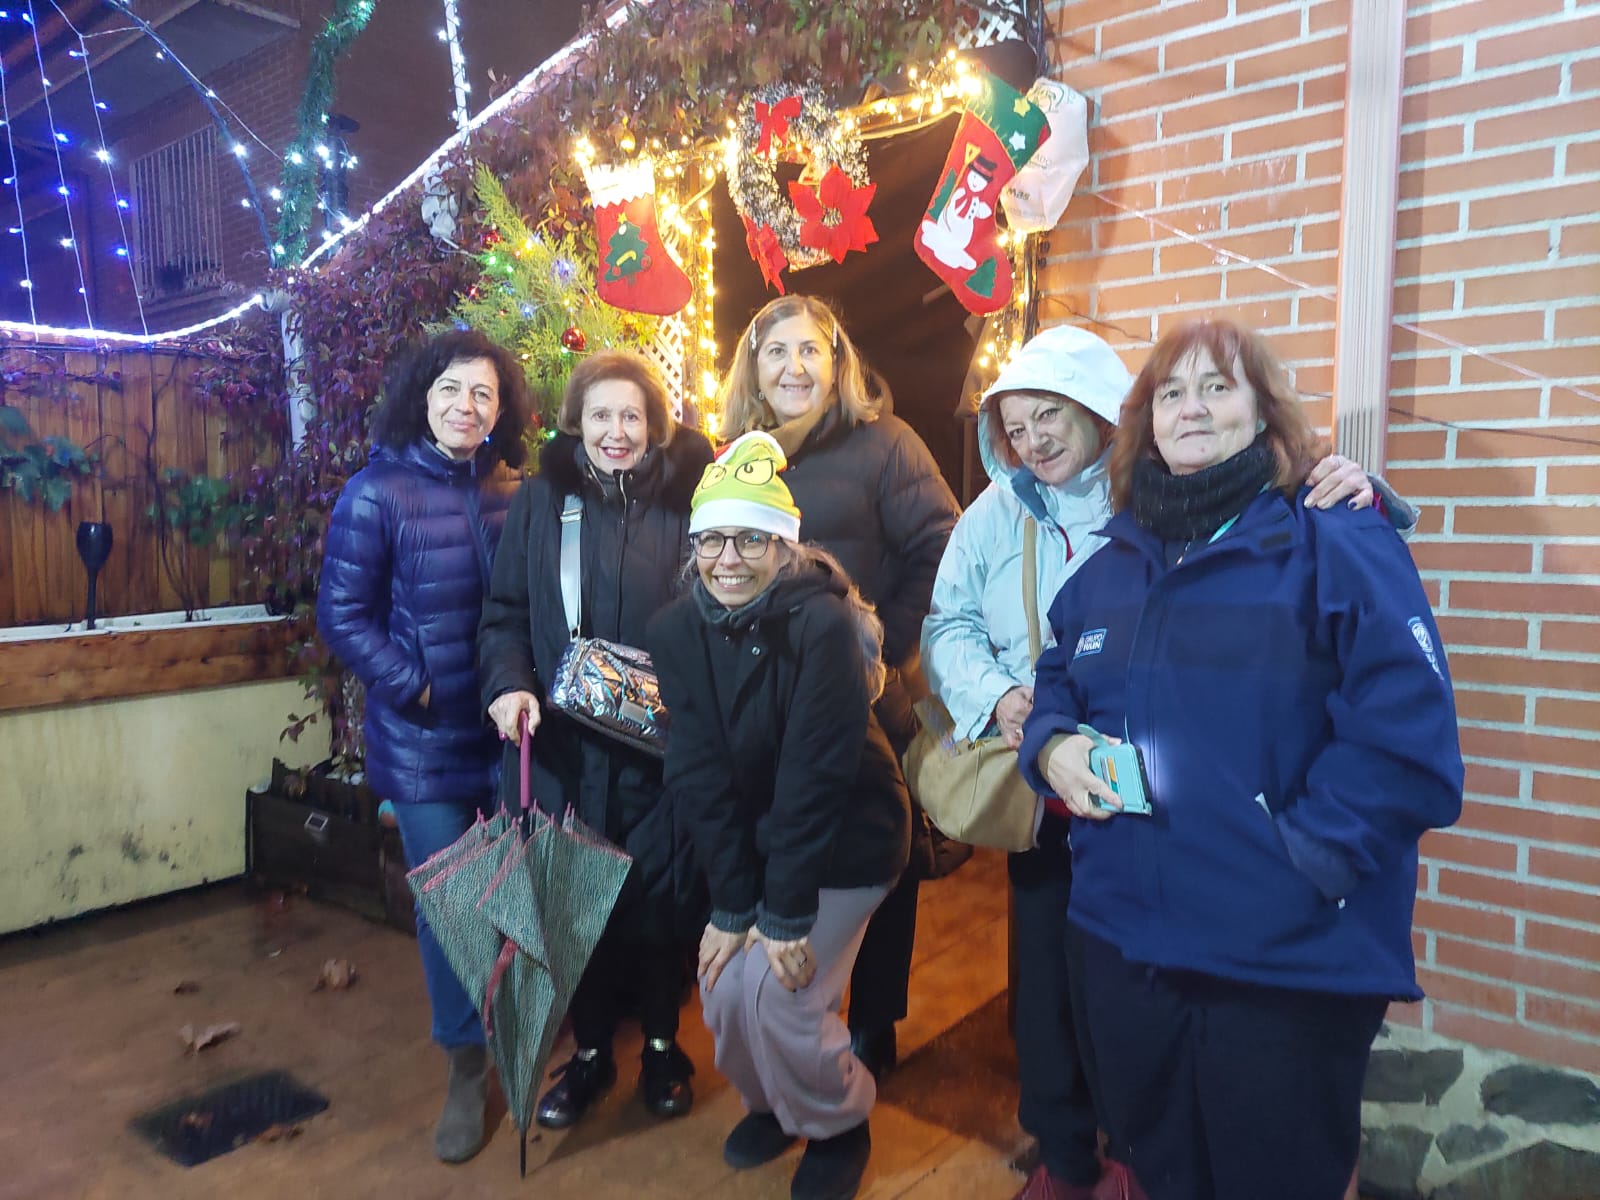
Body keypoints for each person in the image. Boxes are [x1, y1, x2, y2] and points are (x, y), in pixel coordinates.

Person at [923, 324, 1381, 1200]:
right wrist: (1013, 706)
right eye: (1015, 427)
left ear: (1101, 412)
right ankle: (1069, 1154)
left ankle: (1134, 1149)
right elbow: (950, 624)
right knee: (1054, 988)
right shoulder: (995, 513)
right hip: (1041, 784)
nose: (1034, 441)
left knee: (1157, 999)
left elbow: (1279, 505)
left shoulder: (1154, 501)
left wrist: (1356, 486)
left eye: (1050, 415)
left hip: (1181, 823)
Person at [1016, 319, 1463, 1200]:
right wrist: (1050, 746)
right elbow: (1057, 680)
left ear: (1263, 414)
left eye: (1217, 387)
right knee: (1159, 1170)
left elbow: (1409, 735)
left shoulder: (1332, 537)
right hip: (1126, 948)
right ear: (1144, 422)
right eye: (1171, 393)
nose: (1192, 408)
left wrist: (1305, 861)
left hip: (1279, 964)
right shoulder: (1111, 565)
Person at [646, 431, 911, 1200]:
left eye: (752, 540)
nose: (729, 558)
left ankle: (837, 1119)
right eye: (713, 540)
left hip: (849, 837)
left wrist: (784, 914)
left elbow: (815, 775)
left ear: (784, 547)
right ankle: (774, 1104)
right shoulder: (676, 631)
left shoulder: (819, 625)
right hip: (765, 845)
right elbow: (696, 770)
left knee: (782, 995)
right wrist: (734, 905)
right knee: (725, 985)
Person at [717, 294, 961, 1079]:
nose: (795, 366)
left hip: (864, 695)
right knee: (794, 851)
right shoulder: (739, 456)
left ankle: (875, 1021)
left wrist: (879, 648)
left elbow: (940, 545)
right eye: (778, 351)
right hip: (770, 702)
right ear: (754, 367)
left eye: (811, 350)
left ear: (838, 362)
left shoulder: (885, 445)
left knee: (878, 858)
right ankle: (794, 1013)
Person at [478, 349, 713, 1130]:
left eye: (632, 417)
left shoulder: (689, 502)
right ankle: (587, 1056)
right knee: (573, 906)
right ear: (578, 422)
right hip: (567, 753)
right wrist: (509, 682)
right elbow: (506, 612)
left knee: (656, 903)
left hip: (662, 751)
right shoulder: (545, 503)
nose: (617, 432)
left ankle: (659, 1045)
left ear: (654, 428)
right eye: (602, 416)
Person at [315, 329, 532, 1164]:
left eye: (481, 393)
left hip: (505, 739)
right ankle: (466, 1067)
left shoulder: (515, 490)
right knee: (452, 909)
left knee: (511, 897)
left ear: (501, 408)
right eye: (450, 390)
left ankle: (520, 1036)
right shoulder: (376, 493)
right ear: (422, 395)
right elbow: (343, 616)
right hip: (422, 745)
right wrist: (421, 684)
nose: (465, 407)